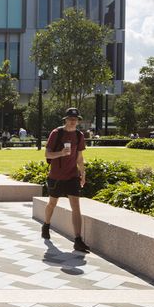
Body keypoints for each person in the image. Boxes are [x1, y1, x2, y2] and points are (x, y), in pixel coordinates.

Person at [41, 108, 90, 254]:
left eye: (75, 119)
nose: (73, 121)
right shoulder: (57, 133)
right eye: (70, 119)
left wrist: (83, 173)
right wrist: (61, 153)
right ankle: (46, 224)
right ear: (65, 120)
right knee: (52, 203)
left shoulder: (79, 135)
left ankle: (78, 240)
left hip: (72, 176)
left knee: (76, 206)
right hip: (56, 176)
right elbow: (47, 154)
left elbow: (79, 157)